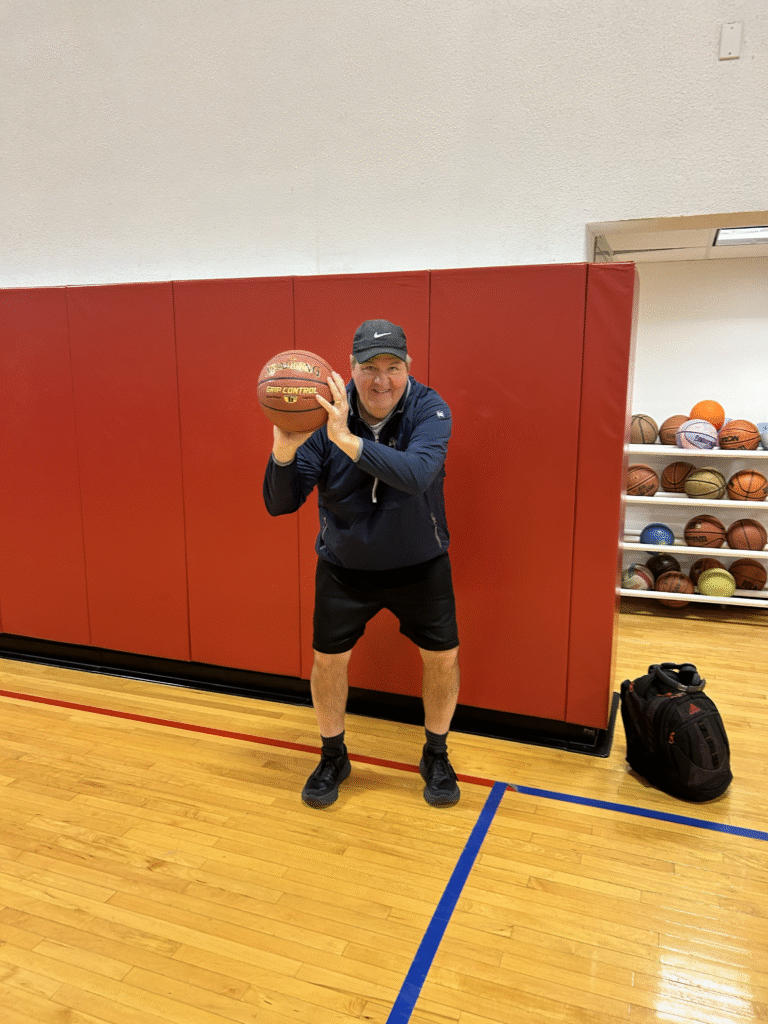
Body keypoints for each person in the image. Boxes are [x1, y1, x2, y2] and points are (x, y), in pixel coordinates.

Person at [263, 319, 461, 809]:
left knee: (442, 659)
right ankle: (334, 755)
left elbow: (417, 474)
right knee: (328, 662)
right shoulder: (320, 411)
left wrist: (347, 440)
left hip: (421, 563)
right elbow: (279, 504)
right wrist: (284, 452)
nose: (381, 380)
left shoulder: (430, 408)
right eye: (369, 368)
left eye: (392, 367)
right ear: (350, 369)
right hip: (345, 567)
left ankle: (435, 753)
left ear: (408, 368)